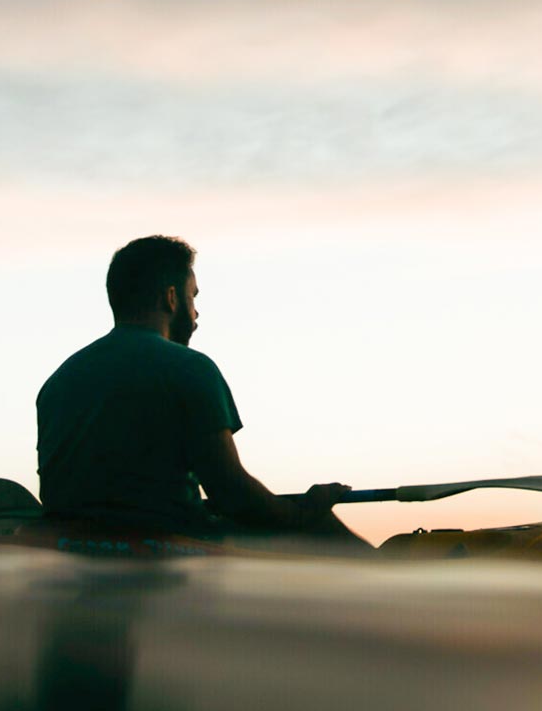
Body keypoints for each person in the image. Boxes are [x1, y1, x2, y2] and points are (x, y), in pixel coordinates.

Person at [37, 234, 366, 548]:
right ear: (170, 298)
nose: (195, 313)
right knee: (322, 527)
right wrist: (306, 512)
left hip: (69, 545)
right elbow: (231, 494)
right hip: (168, 549)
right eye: (192, 296)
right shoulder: (190, 368)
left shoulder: (58, 381)